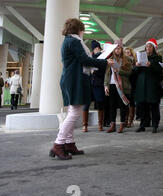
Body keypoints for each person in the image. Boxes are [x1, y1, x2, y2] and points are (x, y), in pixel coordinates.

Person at [50, 18, 113, 160]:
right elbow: (85, 60)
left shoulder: (69, 41)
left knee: (73, 112)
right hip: (74, 80)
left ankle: (69, 143)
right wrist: (104, 62)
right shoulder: (74, 41)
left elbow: (83, 58)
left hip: (71, 79)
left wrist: (99, 58)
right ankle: (58, 144)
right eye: (82, 29)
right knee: (74, 113)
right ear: (79, 29)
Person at [135, 38, 163, 133]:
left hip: (152, 85)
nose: (148, 48)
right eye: (147, 46)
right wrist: (137, 66)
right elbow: (135, 72)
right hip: (142, 86)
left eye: (150, 46)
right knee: (142, 106)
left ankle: (155, 125)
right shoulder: (141, 57)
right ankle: (142, 125)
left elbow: (159, 70)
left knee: (154, 105)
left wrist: (150, 66)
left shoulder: (158, 58)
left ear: (154, 48)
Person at [104, 39, 133, 133]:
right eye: (116, 48)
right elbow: (107, 74)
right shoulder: (110, 59)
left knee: (122, 106)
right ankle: (112, 124)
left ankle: (122, 124)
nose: (117, 50)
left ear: (121, 49)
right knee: (111, 105)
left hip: (122, 85)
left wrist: (119, 71)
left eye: (119, 48)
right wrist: (106, 85)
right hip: (112, 84)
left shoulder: (127, 59)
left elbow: (129, 73)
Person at [82, 40, 106, 132]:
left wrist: (95, 71)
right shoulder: (90, 56)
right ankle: (85, 125)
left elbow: (103, 68)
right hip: (88, 84)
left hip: (98, 83)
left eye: (98, 48)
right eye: (95, 49)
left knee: (100, 103)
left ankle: (100, 124)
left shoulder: (103, 57)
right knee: (86, 104)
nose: (97, 50)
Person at [124, 47, 137, 128]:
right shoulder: (123, 62)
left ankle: (130, 120)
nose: (126, 54)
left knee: (132, 103)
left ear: (131, 53)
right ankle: (125, 120)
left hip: (133, 84)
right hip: (125, 84)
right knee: (125, 103)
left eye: (128, 52)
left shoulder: (134, 62)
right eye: (125, 52)